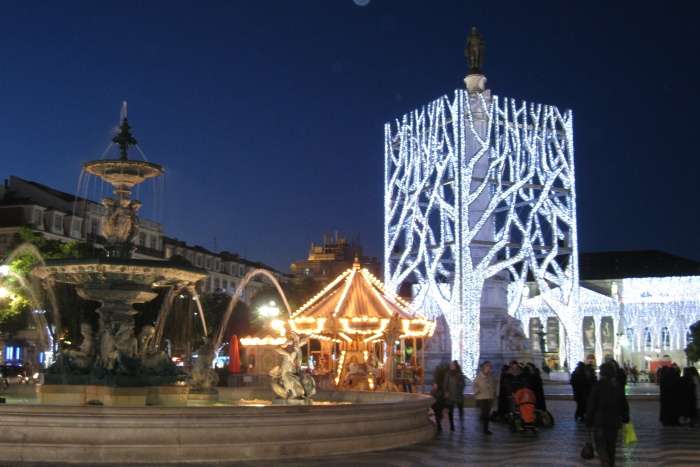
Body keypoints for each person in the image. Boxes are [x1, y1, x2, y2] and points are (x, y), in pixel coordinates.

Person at [585, 361, 630, 467]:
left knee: (601, 447)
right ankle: (610, 463)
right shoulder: (617, 387)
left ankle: (605, 463)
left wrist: (588, 421)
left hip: (599, 422)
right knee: (611, 448)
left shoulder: (597, 387)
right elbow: (623, 404)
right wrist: (625, 416)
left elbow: (591, 406)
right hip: (613, 423)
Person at [473, 361, 497, 435]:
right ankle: (485, 429)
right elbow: (475, 385)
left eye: (490, 367)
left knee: (487, 413)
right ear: (484, 368)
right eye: (487, 366)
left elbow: (494, 384)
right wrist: (477, 391)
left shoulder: (491, 376)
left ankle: (485, 427)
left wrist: (493, 392)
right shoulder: (479, 376)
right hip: (481, 397)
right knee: (485, 413)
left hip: (489, 396)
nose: (489, 368)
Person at [442, 360, 466, 431]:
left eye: (452, 365)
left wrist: (460, 386)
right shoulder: (448, 374)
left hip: (458, 395)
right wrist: (446, 392)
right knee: (450, 411)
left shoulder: (460, 374)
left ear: (456, 366)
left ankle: (462, 423)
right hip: (450, 396)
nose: (451, 366)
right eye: (451, 365)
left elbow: (463, 384)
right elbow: (445, 384)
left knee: (460, 410)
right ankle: (452, 425)